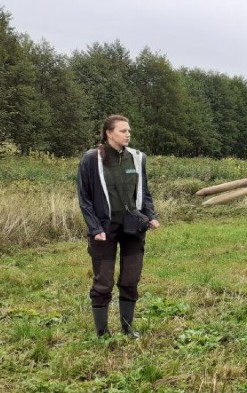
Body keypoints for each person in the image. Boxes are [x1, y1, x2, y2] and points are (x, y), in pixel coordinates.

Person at [77, 115, 160, 339]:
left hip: (133, 228)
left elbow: (145, 191)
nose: (128, 134)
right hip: (104, 230)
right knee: (103, 281)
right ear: (109, 133)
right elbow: (84, 197)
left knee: (131, 278)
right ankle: (102, 333)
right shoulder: (92, 159)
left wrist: (150, 215)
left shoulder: (137, 157)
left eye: (129, 130)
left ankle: (127, 328)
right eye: (123, 130)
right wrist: (95, 228)